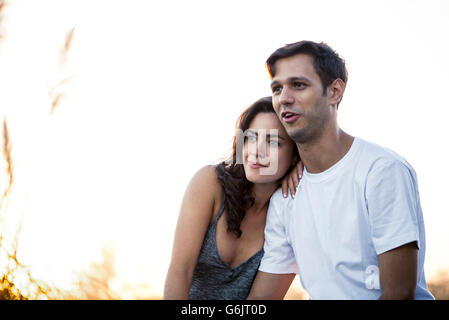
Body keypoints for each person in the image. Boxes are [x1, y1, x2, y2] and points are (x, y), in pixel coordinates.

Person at [248, 40, 434, 300]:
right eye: (277, 88)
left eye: (298, 85)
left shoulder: (381, 171)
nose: (284, 98)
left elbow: (398, 294)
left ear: (335, 91)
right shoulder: (286, 198)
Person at [164, 97, 300, 299]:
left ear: (295, 155)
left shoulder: (293, 212)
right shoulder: (210, 182)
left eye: (273, 142)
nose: (257, 151)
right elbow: (180, 272)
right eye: (251, 138)